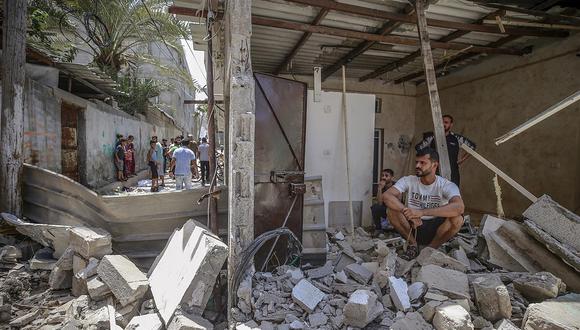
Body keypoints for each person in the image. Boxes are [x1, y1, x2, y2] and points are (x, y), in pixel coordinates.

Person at [383, 148, 465, 260]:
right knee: (391, 210)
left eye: (422, 163)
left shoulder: (446, 185)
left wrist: (421, 213)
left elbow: (459, 207)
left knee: (457, 218)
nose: (417, 165)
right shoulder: (408, 180)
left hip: (437, 228)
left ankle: (430, 249)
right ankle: (413, 245)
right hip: (413, 227)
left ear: (434, 165)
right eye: (416, 162)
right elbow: (387, 196)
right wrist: (408, 213)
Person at [415, 114, 476, 186]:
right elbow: (418, 148)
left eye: (446, 122)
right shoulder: (432, 137)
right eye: (441, 122)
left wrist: (462, 160)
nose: (443, 124)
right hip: (434, 174)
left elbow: (472, 147)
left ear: (451, 125)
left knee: (451, 195)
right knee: (434, 196)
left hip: (452, 175)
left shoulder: (456, 138)